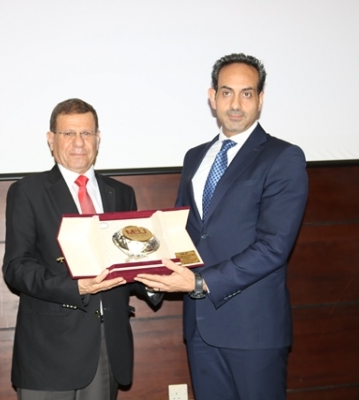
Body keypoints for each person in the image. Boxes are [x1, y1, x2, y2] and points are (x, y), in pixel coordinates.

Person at [135, 53, 308, 399]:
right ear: (212, 97)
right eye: (227, 92)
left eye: (247, 93)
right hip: (200, 329)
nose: (236, 104)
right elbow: (182, 233)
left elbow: (274, 247)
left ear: (260, 99)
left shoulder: (283, 157)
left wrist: (201, 282)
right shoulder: (194, 157)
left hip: (253, 330)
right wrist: (154, 275)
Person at [2, 98, 161, 400]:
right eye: (68, 133)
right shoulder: (28, 191)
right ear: (51, 140)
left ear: (98, 139)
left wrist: (154, 280)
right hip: (47, 351)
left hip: (107, 346)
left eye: (86, 133)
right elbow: (16, 267)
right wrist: (77, 287)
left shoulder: (121, 193)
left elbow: (129, 262)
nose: (78, 142)